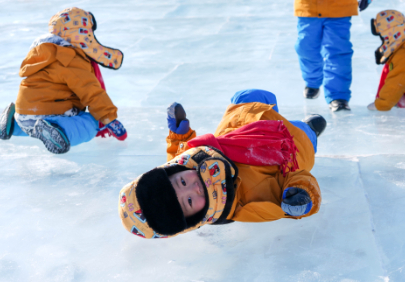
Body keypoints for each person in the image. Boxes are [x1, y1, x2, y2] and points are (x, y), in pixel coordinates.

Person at [118, 90, 326, 239]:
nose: (193, 187)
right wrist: (301, 194)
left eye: (182, 181)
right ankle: (310, 129)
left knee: (251, 96)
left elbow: (178, 153)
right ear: (194, 219)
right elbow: (295, 180)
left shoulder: (191, 160)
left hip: (246, 122)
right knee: (305, 133)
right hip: (292, 149)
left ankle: (272, 114)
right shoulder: (247, 205)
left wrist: (179, 134)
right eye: (189, 201)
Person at [0, 7, 128, 153]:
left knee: (32, 124)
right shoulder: (70, 58)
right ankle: (61, 132)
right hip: (51, 113)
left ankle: (13, 124)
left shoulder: (40, 52)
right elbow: (90, 90)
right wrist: (108, 117)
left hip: (24, 111)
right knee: (89, 124)